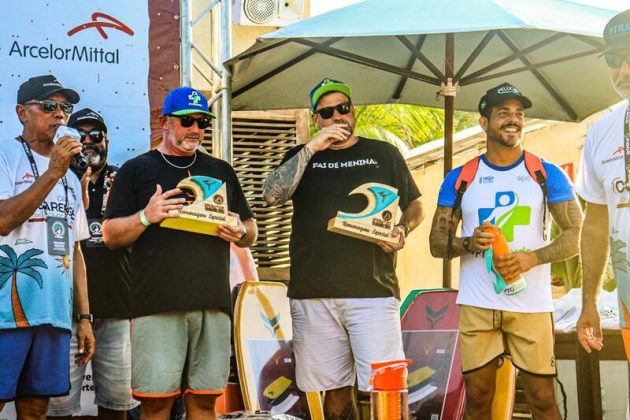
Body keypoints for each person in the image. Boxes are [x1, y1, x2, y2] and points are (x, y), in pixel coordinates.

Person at [263, 78, 424, 418]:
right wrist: (310, 149)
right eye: (327, 111)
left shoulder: (383, 153)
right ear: (315, 118)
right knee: (332, 388)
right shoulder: (300, 157)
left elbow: (415, 205)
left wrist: (401, 230)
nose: (337, 116)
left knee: (387, 387)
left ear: (353, 111)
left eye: (343, 108)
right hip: (313, 292)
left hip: (373, 291)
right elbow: (271, 195)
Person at [428, 82, 582, 420]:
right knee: (479, 400)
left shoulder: (546, 173)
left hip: (531, 306)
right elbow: (436, 244)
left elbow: (577, 235)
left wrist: (532, 258)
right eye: (503, 114)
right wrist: (469, 243)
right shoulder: (461, 178)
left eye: (518, 114)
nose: (513, 120)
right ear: (484, 123)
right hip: (479, 305)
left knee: (542, 399)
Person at [102, 86, 257, 420]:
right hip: (156, 305)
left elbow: (251, 231)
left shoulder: (220, 169)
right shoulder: (136, 169)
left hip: (213, 305)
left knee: (204, 401)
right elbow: (111, 235)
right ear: (164, 121)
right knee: (156, 403)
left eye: (202, 121)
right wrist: (147, 215)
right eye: (187, 121)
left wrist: (240, 231)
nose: (196, 129)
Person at [0, 75, 95, 418]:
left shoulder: (71, 176)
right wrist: (52, 172)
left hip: (54, 314)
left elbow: (77, 249)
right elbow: (2, 221)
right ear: (22, 112)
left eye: (65, 108)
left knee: (36, 410)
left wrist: (84, 318)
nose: (59, 115)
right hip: (6, 314)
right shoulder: (5, 154)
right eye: (48, 106)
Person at [47, 108, 139, 419]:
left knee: (117, 404)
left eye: (95, 135)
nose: (88, 142)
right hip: (65, 311)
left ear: (107, 140)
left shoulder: (124, 179)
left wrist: (125, 208)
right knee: (58, 407)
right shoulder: (55, 180)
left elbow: (143, 237)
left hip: (117, 309)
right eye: (80, 135)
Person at [576, 9, 630, 355]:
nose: (623, 71)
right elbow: (595, 225)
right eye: (614, 58)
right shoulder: (600, 133)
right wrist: (589, 302)